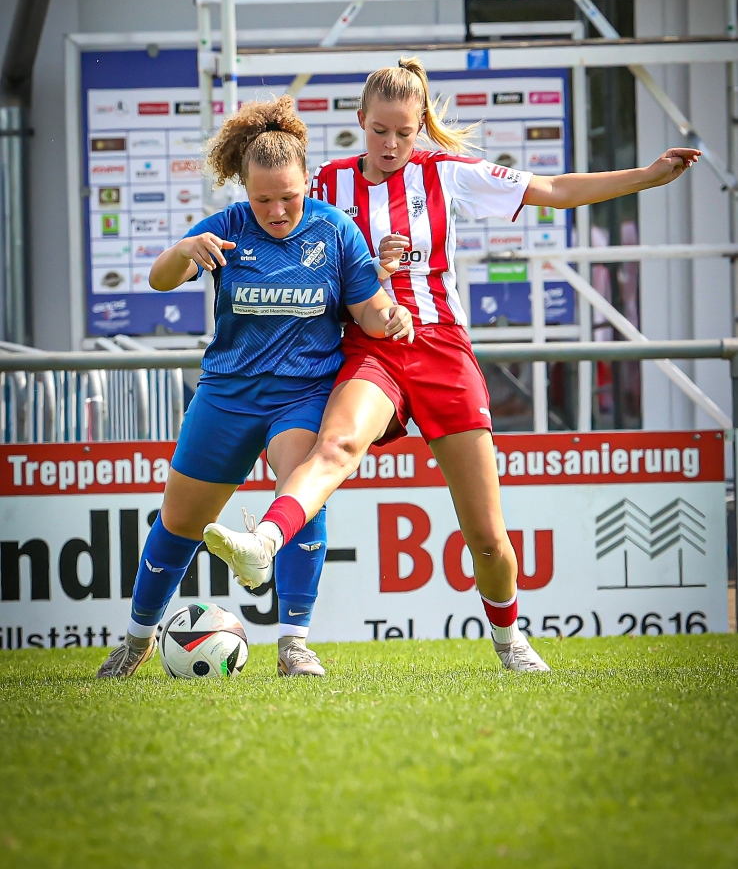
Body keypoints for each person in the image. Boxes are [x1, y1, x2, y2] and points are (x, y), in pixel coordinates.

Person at [204, 56, 700, 673]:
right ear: (359, 120)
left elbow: (554, 190)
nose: (390, 143)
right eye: (379, 129)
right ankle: (264, 542)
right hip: (372, 348)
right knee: (334, 446)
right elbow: (279, 239)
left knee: (487, 536)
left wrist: (647, 177)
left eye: (404, 131)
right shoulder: (324, 185)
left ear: (421, 127)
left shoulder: (447, 174)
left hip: (442, 352)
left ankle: (510, 638)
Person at [95, 96, 413, 680]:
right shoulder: (227, 228)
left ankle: (294, 644)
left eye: (287, 196)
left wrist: (389, 316)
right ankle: (136, 640)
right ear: (244, 189)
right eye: (262, 199)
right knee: (178, 523)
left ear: (307, 181)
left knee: (301, 492)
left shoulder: (334, 230)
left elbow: (369, 309)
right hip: (227, 394)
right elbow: (160, 280)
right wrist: (184, 251)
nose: (276, 210)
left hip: (302, 394)